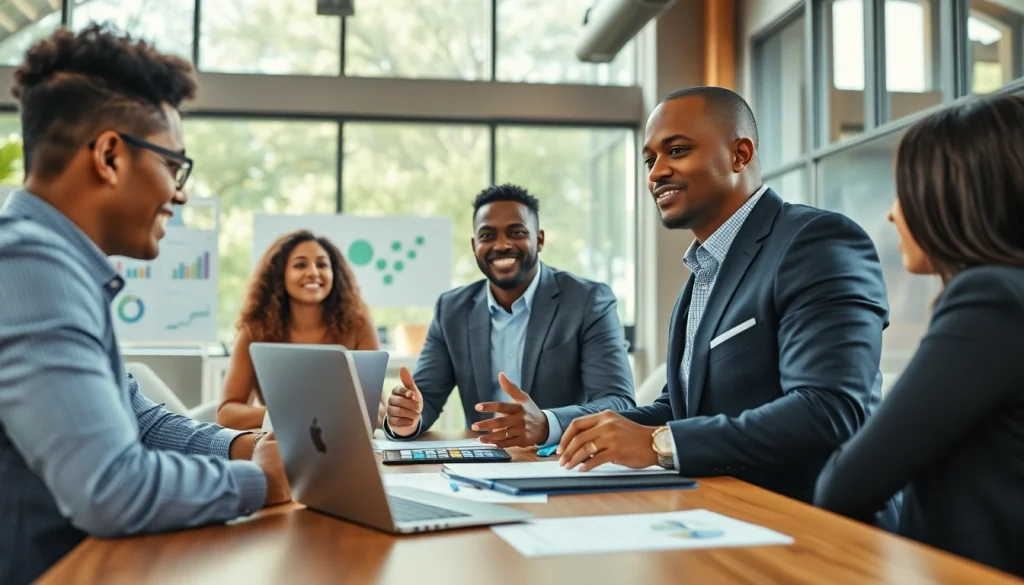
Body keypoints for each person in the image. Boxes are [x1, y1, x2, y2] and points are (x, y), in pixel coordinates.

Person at [0, 24, 290, 585]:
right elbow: (110, 489)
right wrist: (261, 482)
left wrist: (242, 446)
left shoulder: (58, 262)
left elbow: (137, 418)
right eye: (172, 164)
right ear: (109, 155)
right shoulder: (29, 267)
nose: (179, 193)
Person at [556, 86, 899, 525]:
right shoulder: (702, 274)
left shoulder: (817, 241)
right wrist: (573, 429)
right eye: (649, 160)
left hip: (818, 527)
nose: (656, 173)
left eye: (676, 150)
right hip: (722, 516)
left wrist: (661, 443)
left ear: (740, 155)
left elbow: (829, 410)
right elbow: (682, 408)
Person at [814, 94, 1024, 577]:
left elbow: (846, 485)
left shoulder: (990, 298)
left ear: (957, 196)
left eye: (906, 191)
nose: (892, 213)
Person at [381, 183, 635, 447]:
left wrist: (547, 423)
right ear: (474, 245)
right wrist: (406, 419)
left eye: (516, 232)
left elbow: (618, 401)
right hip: (483, 459)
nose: (501, 245)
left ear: (539, 239)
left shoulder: (588, 301)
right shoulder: (452, 309)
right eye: (487, 235)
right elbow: (426, 398)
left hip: (562, 458)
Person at [218, 229, 379, 431]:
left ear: (334, 274)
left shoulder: (358, 325)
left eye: (322, 264)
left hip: (345, 439)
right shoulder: (254, 331)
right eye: (300, 265)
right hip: (279, 443)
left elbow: (377, 409)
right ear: (280, 275)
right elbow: (227, 413)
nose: (313, 272)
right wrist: (288, 414)